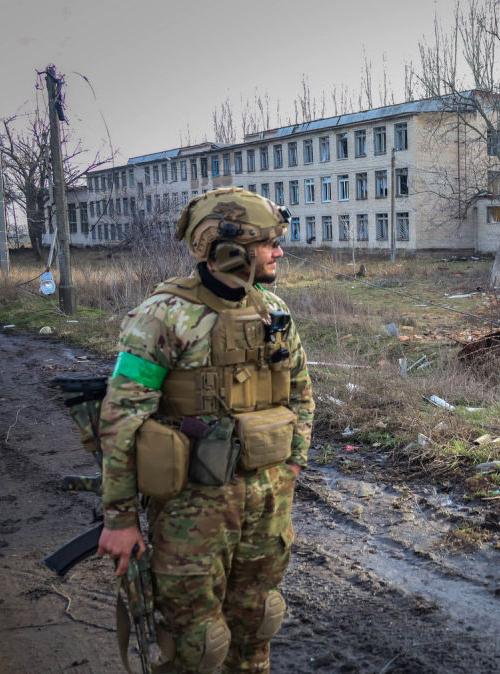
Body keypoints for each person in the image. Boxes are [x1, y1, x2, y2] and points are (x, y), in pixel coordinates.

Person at [96, 187, 314, 673]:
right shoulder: (163, 316)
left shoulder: (272, 312)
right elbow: (120, 418)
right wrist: (120, 518)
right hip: (192, 512)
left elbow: (300, 392)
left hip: (267, 508)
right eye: (268, 242)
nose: (279, 251)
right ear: (228, 248)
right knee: (196, 643)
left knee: (259, 623)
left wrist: (292, 462)